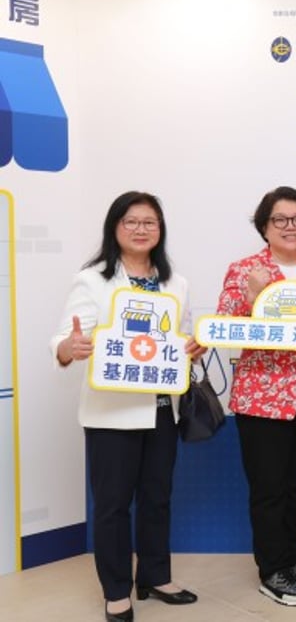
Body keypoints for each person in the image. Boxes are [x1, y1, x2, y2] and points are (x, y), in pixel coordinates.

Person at [51, 191, 205, 622]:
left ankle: (155, 576)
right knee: (113, 505)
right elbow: (64, 338)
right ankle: (117, 590)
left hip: (162, 408)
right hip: (111, 411)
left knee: (157, 498)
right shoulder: (92, 280)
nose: (141, 229)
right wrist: (68, 348)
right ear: (115, 228)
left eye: (149, 222)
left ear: (161, 229)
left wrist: (192, 348)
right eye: (131, 221)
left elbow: (182, 338)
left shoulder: (176, 282)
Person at [217, 186, 296, 607]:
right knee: (268, 487)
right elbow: (225, 328)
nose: (291, 227)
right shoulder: (245, 270)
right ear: (264, 227)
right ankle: (272, 569)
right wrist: (253, 297)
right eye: (280, 220)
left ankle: (294, 556)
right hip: (262, 396)